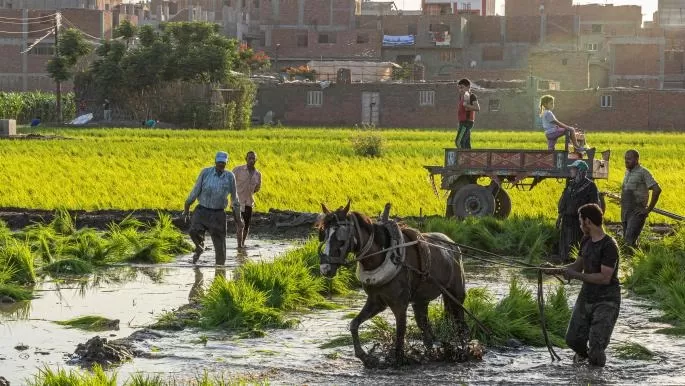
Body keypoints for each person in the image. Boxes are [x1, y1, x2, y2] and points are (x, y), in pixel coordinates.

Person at [543, 203, 620, 367]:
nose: (580, 225)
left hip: (607, 300)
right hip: (587, 295)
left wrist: (576, 276)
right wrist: (554, 270)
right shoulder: (586, 240)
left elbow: (605, 278)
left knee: (597, 346)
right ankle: (584, 367)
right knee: (572, 339)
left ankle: (595, 373)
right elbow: (577, 266)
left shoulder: (609, 246)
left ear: (588, 222)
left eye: (580, 222)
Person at [182, 151, 243, 265]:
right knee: (193, 231)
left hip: (218, 214)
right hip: (202, 211)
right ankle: (199, 248)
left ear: (226, 163)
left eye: (223, 163)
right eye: (219, 162)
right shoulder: (205, 173)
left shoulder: (230, 176)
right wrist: (187, 207)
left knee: (220, 248)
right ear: (215, 161)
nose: (221, 165)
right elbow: (195, 191)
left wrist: (238, 219)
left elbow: (235, 199)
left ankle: (220, 272)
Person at [557, 160, 600, 261]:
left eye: (573, 169)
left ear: (580, 171)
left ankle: (576, 267)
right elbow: (564, 201)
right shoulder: (570, 184)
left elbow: (594, 206)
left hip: (580, 222)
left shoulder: (590, 186)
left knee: (577, 246)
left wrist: (589, 223)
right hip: (567, 220)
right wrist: (559, 217)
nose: (571, 170)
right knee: (565, 246)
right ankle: (565, 265)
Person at [621, 149, 661, 249]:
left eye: (629, 158)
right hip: (625, 212)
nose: (626, 161)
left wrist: (647, 210)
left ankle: (635, 262)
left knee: (629, 241)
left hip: (637, 212)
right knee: (629, 242)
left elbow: (657, 190)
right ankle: (637, 260)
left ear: (636, 159)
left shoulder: (643, 172)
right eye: (625, 158)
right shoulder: (627, 173)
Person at [233, 151, 262, 248]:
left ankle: (242, 243)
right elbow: (230, 182)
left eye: (253, 158)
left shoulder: (258, 174)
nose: (251, 160)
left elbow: (257, 188)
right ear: (246, 159)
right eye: (250, 158)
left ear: (256, 160)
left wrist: (249, 191)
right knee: (239, 224)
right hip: (237, 202)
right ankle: (239, 245)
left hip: (249, 202)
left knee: (246, 225)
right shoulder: (237, 170)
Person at [455, 78, 480, 149]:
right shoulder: (462, 97)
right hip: (462, 122)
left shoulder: (471, 96)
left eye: (462, 87)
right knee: (466, 143)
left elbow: (477, 108)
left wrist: (466, 105)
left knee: (458, 142)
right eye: (459, 88)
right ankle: (469, 159)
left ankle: (461, 158)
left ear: (468, 87)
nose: (460, 90)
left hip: (466, 122)